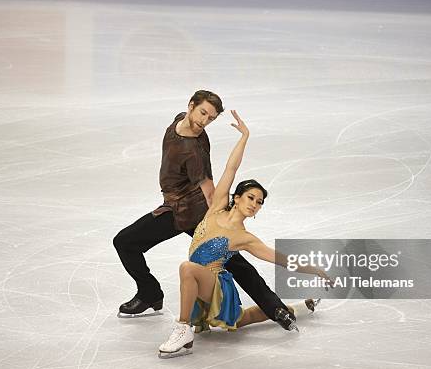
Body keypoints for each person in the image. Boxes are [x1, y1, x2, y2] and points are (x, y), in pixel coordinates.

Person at [113, 90, 297, 330]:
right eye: (203, 113)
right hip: (174, 205)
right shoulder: (178, 121)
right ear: (190, 106)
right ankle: (150, 292)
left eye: (211, 118)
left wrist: (224, 222)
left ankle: (275, 308)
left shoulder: (194, 151)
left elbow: (210, 192)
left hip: (187, 212)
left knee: (126, 242)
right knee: (237, 263)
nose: (204, 121)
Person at [158, 110, 332, 359]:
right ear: (236, 197)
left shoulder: (244, 237)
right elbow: (231, 167)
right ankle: (299, 308)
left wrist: (315, 270)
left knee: (187, 268)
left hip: (214, 283)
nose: (254, 204)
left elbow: (281, 259)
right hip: (200, 285)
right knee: (243, 319)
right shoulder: (216, 206)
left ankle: (183, 330)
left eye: (259, 202)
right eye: (251, 197)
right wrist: (244, 137)